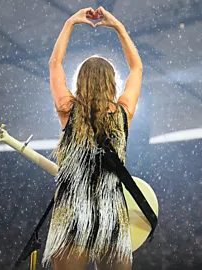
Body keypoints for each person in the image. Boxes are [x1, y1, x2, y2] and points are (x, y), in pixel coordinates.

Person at [43, 6, 143, 270]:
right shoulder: (123, 113)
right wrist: (118, 27)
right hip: (112, 211)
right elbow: (136, 68)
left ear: (80, 81)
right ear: (112, 82)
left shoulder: (68, 110)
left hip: (73, 210)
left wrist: (70, 23)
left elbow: (54, 64)